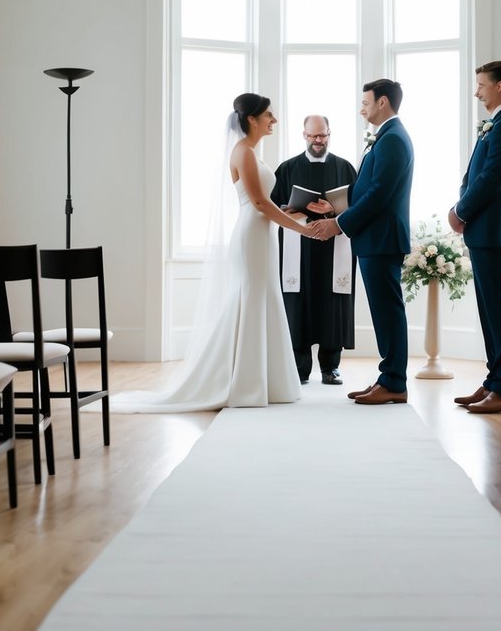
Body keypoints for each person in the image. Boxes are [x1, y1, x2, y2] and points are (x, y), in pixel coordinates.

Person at [112, 93, 307, 413]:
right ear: (252, 120)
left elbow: (265, 203)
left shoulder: (252, 153)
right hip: (252, 235)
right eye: (269, 115)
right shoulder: (243, 152)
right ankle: (244, 382)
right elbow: (258, 203)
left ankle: (268, 381)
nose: (275, 121)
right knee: (251, 299)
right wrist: (300, 229)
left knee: (264, 298)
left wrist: (295, 214)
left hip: (262, 234)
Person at [310, 79, 413, 406]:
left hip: (382, 239)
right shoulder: (385, 138)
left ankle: (395, 381)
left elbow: (379, 195)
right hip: (374, 239)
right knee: (384, 313)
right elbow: (366, 188)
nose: (361, 108)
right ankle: (388, 377)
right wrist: (335, 205)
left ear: (382, 102)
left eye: (366, 102)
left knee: (389, 312)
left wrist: (338, 224)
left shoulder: (393, 139)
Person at [447, 60, 501, 414]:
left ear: (500, 86)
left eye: (481, 84)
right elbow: (476, 174)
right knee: (489, 311)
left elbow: (491, 180)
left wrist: (460, 211)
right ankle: (495, 381)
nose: (477, 91)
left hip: (497, 231)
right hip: (486, 232)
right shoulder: (497, 125)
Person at [271, 115, 357, 386]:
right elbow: (272, 206)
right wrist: (290, 209)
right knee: (298, 302)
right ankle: (299, 369)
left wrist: (332, 210)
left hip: (334, 248)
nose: (318, 140)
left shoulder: (345, 168)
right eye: (313, 136)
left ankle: (330, 367)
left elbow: (357, 207)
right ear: (304, 135)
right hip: (298, 249)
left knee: (333, 302)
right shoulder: (286, 169)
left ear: (330, 133)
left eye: (323, 135)